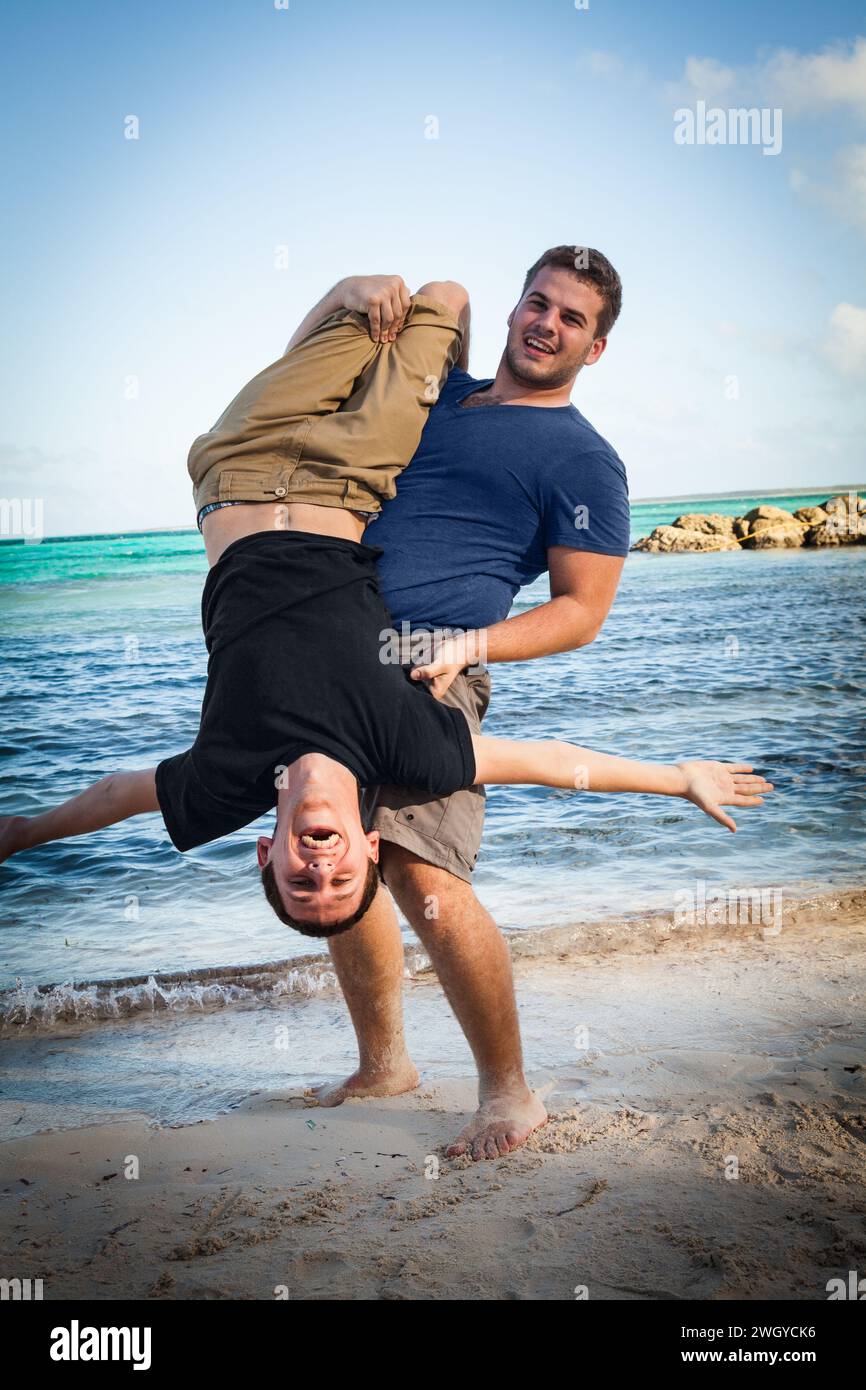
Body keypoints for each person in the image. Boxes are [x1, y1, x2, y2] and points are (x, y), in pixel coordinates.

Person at [0, 267, 773, 1155]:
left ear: (595, 347)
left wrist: (469, 648)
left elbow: (582, 613)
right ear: (516, 305)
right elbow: (352, 386)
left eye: (573, 320)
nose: (548, 325)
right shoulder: (444, 397)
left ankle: (509, 1094)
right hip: (352, 641)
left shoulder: (582, 458)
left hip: (425, 668)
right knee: (357, 872)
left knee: (419, 873)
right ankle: (384, 1066)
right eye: (539, 304)